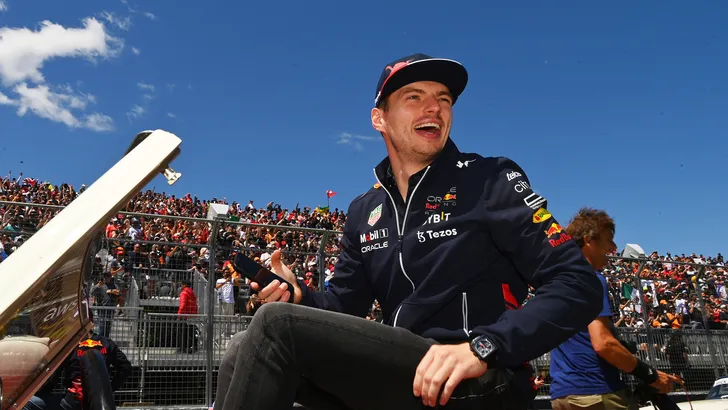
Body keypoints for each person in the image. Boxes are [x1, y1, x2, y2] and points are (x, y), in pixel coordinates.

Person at [213, 53, 604, 410]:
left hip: (478, 376)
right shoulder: (364, 210)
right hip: (406, 373)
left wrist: (484, 346)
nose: (434, 107)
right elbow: (342, 308)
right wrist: (298, 294)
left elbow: (578, 283)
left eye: (444, 98)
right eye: (413, 97)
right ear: (379, 119)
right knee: (244, 344)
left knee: (275, 326)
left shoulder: (490, 179)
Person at [549, 207, 683, 410]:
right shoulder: (592, 279)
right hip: (597, 392)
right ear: (588, 240)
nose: (614, 247)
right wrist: (651, 376)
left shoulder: (556, 279)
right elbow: (603, 343)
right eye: (609, 239)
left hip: (562, 394)